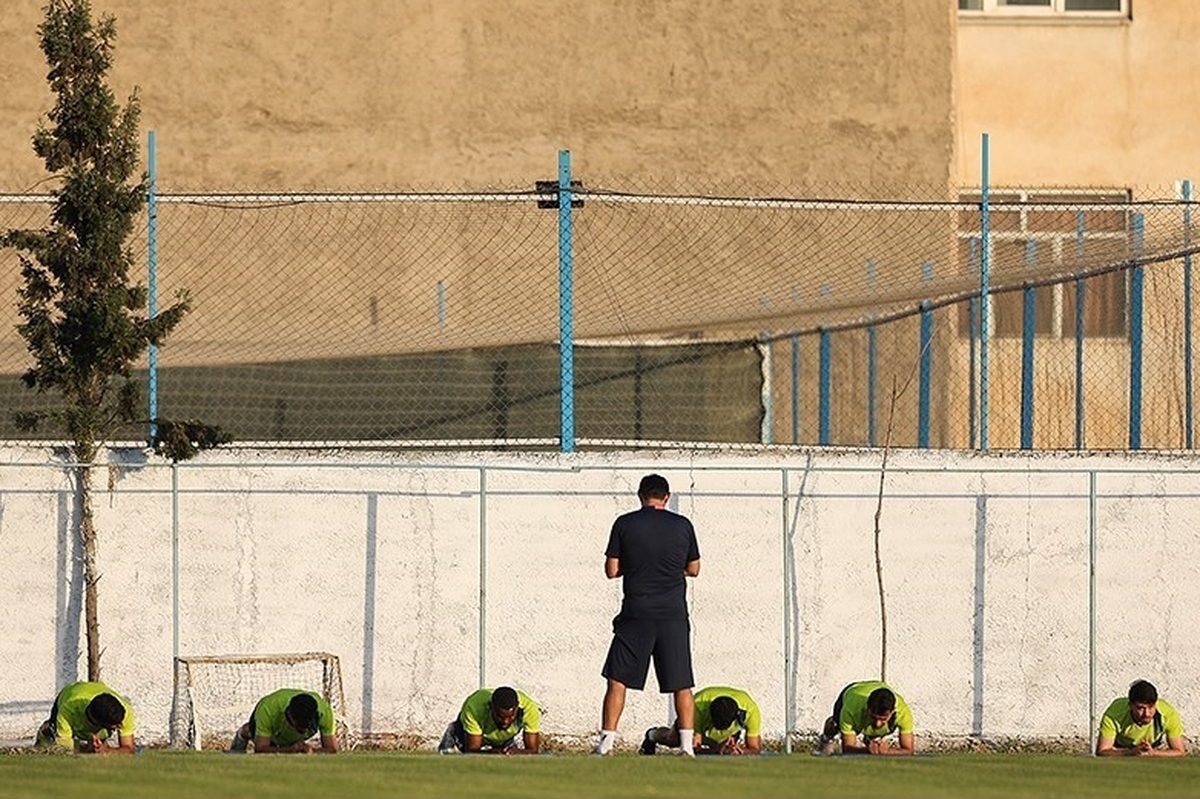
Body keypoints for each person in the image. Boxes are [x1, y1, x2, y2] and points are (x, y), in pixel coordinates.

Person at [595, 473, 701, 757]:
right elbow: (694, 569)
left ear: (641, 496)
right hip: (673, 615)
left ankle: (606, 744)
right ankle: (687, 747)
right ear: (666, 497)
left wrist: (638, 566)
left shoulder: (625, 523)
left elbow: (611, 570)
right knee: (681, 682)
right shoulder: (683, 525)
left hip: (636, 614)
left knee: (617, 679)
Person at [640, 685, 762, 756]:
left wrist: (739, 751)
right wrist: (717, 751)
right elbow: (693, 748)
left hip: (724, 736)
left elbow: (755, 748)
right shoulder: (697, 708)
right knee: (673, 740)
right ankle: (652, 734)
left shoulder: (751, 710)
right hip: (699, 724)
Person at [816, 680, 914, 756]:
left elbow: (909, 750)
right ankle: (826, 738)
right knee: (835, 725)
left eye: (883, 719)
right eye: (874, 717)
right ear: (867, 708)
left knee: (875, 731)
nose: (878, 723)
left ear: (892, 712)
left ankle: (870, 739)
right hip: (852, 692)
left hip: (875, 691)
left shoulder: (903, 713)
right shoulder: (850, 709)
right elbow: (847, 749)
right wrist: (868, 751)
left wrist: (887, 751)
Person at [35, 681, 136, 754]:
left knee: (98, 745)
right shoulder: (68, 709)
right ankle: (45, 734)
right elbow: (64, 744)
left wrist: (107, 751)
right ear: (97, 722)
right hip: (69, 693)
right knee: (53, 746)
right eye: (116, 725)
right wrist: (86, 748)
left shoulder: (125, 712)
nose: (121, 725)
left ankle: (97, 743)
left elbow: (129, 748)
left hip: (93, 697)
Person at [229, 688, 339, 754]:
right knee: (251, 731)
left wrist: (312, 751)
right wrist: (289, 749)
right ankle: (242, 734)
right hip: (272, 729)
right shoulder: (268, 709)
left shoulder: (325, 712)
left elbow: (332, 749)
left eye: (306, 726)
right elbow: (260, 748)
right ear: (288, 715)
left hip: (286, 735)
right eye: (298, 725)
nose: (302, 729)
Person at [437, 686, 542, 754]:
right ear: (491, 707)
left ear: (517, 708)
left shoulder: (529, 709)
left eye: (511, 717)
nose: (506, 722)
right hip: (466, 737)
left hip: (504, 739)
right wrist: (491, 752)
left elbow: (533, 751)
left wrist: (516, 752)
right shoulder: (474, 707)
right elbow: (472, 751)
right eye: (500, 717)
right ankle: (452, 733)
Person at [1096, 679, 1187, 757]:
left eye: (1151, 707)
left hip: (1153, 746)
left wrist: (1153, 752)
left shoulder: (1168, 714)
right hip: (1120, 747)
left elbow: (1179, 751)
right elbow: (1102, 751)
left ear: (1156, 704)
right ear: (1130, 705)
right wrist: (1131, 752)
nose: (1146, 713)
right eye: (1140, 708)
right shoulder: (1114, 714)